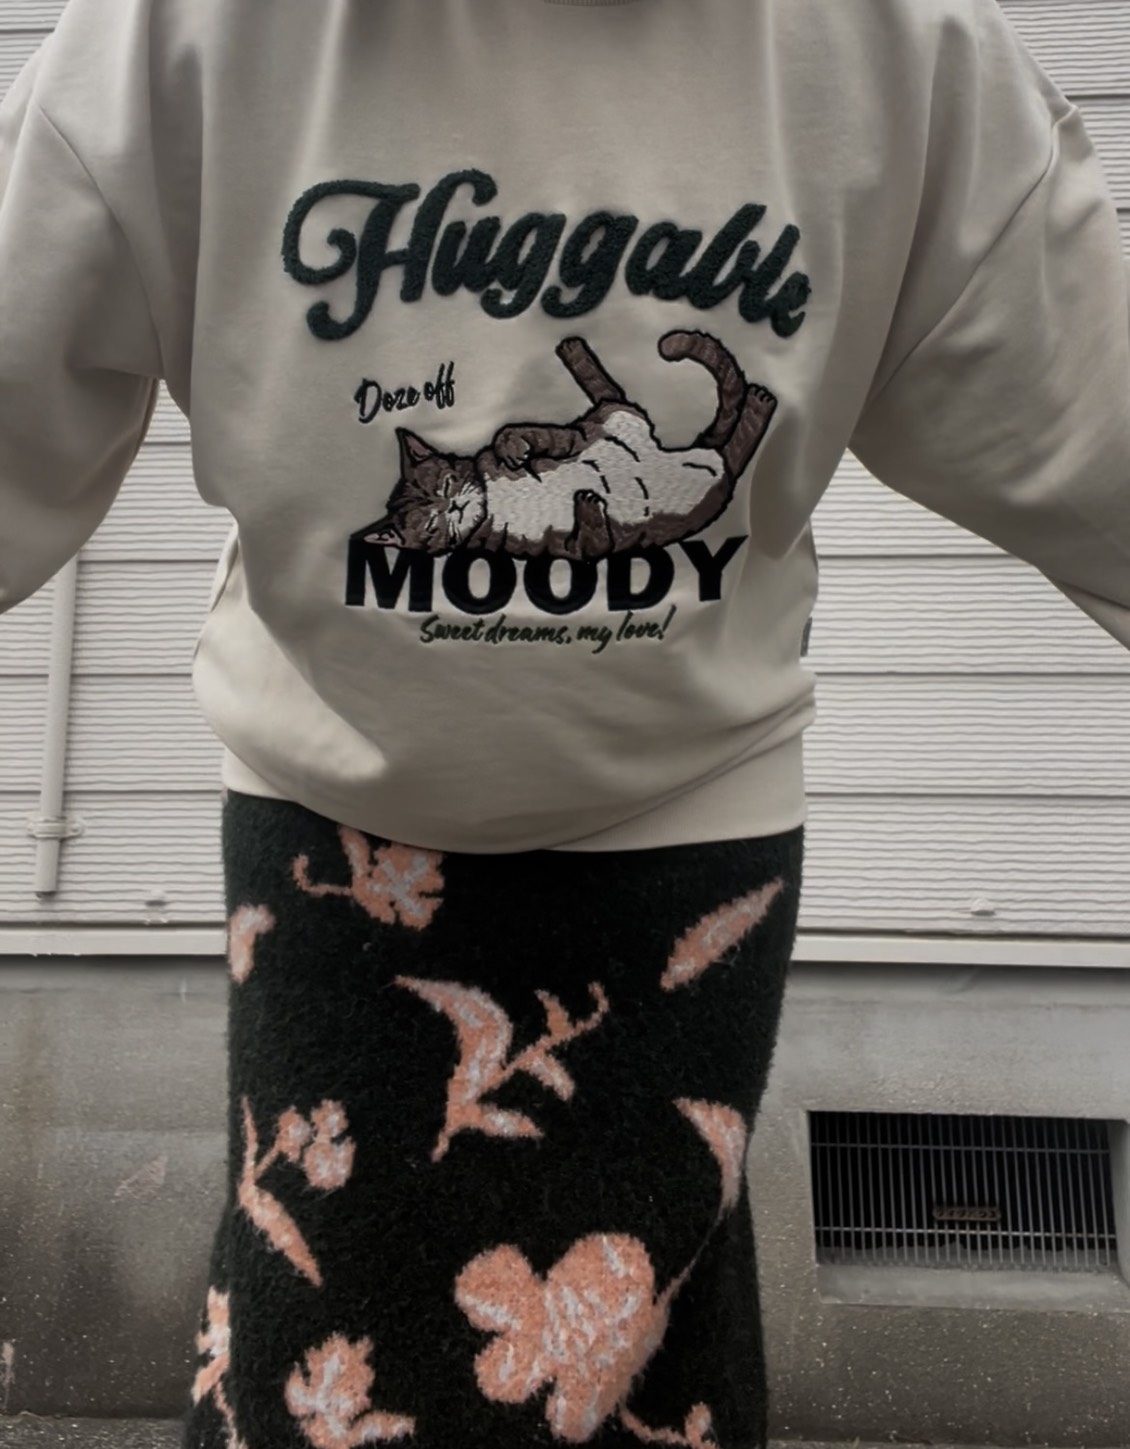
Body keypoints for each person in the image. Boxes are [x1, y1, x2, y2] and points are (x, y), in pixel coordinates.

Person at [1, 1, 1127, 1446]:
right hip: (331, 832)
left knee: (641, 1351)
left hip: (685, 837)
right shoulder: (180, 37)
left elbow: (1083, 418)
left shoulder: (886, 44)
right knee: (316, 1354)